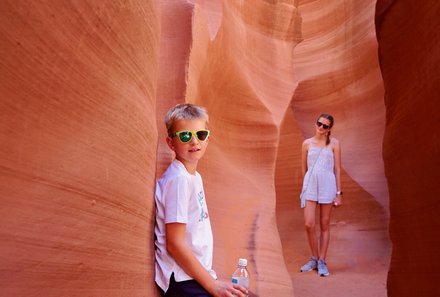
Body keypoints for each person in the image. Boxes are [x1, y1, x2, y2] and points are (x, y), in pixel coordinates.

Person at [154, 103, 247, 297]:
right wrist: (213, 285)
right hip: (180, 279)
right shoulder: (179, 180)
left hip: (194, 275)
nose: (194, 142)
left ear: (207, 139)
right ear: (171, 143)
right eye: (185, 136)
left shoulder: (193, 177)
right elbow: (175, 243)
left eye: (200, 135)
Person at [299, 114, 342, 277]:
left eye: (325, 126)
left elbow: (337, 169)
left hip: (328, 185)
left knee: (324, 224)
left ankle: (322, 260)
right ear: (315, 123)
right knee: (309, 224)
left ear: (329, 129)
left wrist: (339, 193)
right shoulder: (306, 144)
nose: (321, 127)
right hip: (310, 185)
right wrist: (304, 187)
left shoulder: (335, 144)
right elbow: (304, 168)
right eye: (319, 123)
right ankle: (314, 258)